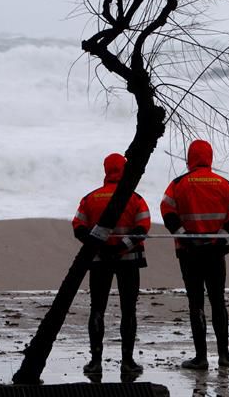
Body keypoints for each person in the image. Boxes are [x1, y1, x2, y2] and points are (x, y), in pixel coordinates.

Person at [161, 139, 229, 370]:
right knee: (218, 301)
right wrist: (220, 237)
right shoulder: (224, 184)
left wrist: (185, 235)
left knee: (195, 302)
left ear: (189, 158)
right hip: (216, 253)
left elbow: (167, 212)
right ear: (210, 157)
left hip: (189, 253)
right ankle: (225, 356)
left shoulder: (178, 184)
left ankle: (201, 358)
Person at [72, 152, 150, 376]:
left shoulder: (90, 198)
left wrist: (100, 248)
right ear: (125, 170)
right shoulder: (134, 198)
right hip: (129, 261)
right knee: (128, 310)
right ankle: (128, 362)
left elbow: (78, 227)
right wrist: (121, 247)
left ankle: (95, 362)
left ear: (105, 170)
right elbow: (143, 226)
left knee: (97, 308)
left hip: (98, 261)